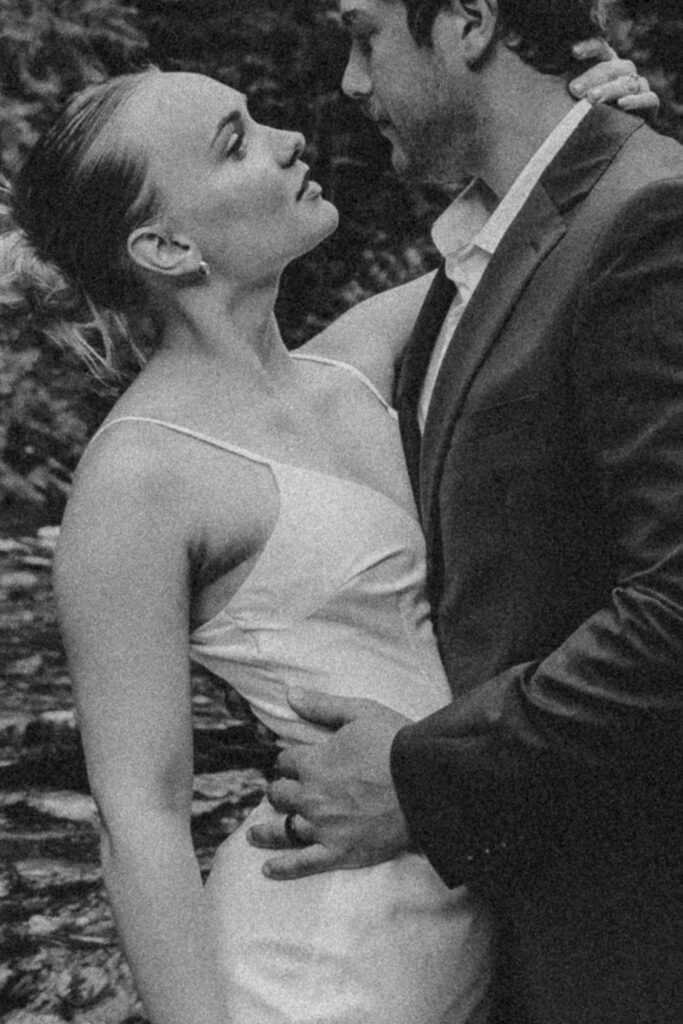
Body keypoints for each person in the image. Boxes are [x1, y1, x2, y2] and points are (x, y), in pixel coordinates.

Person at [0, 47, 655, 1024]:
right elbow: (140, 818)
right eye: (236, 144)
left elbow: (566, 231)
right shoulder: (136, 478)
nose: (289, 138)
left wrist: (610, 119)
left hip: (488, 923)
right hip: (318, 970)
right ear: (168, 249)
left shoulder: (362, 358)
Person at [245, 2, 683, 1023]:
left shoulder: (645, 219)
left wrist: (422, 782)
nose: (351, 86)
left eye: (366, 38)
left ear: (470, 21)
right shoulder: (489, 250)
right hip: (524, 923)